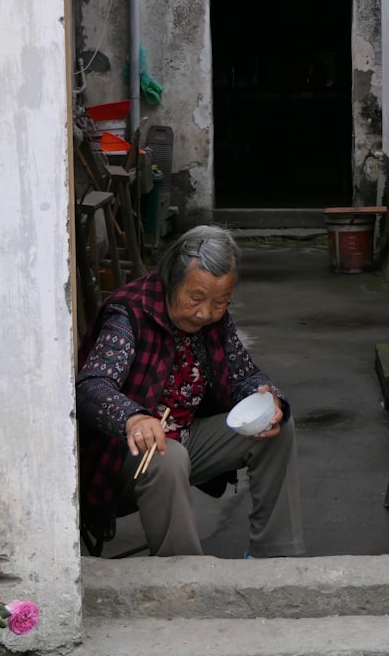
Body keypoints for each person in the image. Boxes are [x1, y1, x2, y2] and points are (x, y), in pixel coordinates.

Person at [76, 224, 305, 557]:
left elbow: (244, 373)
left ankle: (276, 557)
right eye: (196, 298)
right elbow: (90, 386)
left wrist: (263, 394)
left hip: (185, 438)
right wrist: (134, 418)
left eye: (220, 302)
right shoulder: (129, 313)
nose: (205, 313)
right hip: (123, 458)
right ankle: (184, 578)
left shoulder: (214, 319)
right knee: (168, 455)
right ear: (171, 277)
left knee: (278, 428)